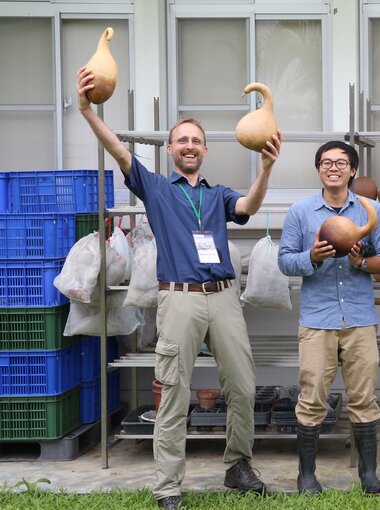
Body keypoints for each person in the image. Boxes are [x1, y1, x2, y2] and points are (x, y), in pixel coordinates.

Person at [77, 68, 281, 510]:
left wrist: (264, 168)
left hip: (224, 296)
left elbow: (248, 206)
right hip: (179, 298)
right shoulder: (155, 188)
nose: (189, 146)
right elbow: (117, 149)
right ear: (170, 150)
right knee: (173, 391)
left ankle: (237, 465)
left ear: (205, 150)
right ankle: (168, 487)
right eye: (182, 140)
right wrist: (88, 112)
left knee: (243, 387)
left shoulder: (217, 194)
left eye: (196, 141)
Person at [277, 141, 380, 495]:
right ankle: (306, 476)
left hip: (359, 317)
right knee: (311, 398)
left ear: (352, 170)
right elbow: (284, 261)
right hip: (317, 319)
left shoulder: (371, 211)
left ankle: (368, 474)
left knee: (364, 397)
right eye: (326, 162)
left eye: (341, 162)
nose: (333, 167)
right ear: (318, 169)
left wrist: (360, 261)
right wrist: (311, 256)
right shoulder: (300, 212)